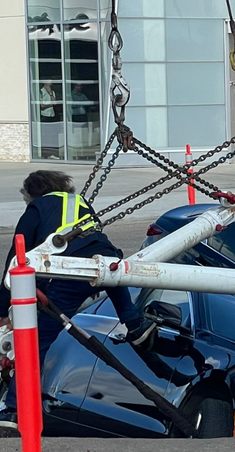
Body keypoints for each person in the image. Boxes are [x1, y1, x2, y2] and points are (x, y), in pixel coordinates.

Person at [0, 171, 157, 429]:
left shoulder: (37, 208)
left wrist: (2, 308)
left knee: (35, 344)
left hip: (70, 274)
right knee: (111, 275)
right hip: (105, 261)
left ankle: (14, 410)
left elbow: (17, 259)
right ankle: (135, 324)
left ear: (33, 192)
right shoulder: (79, 203)